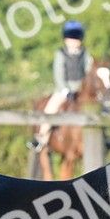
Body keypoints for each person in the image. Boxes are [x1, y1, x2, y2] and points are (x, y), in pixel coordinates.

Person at [30, 20, 94, 151]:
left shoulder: (85, 53)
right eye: (71, 39)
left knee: (97, 108)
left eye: (76, 40)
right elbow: (58, 74)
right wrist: (65, 90)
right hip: (63, 90)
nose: (73, 42)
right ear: (66, 40)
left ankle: (106, 137)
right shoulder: (60, 53)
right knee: (50, 110)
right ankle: (41, 138)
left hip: (80, 89)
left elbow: (89, 70)